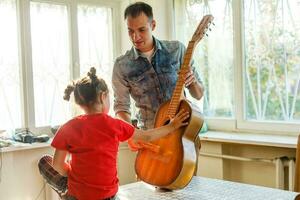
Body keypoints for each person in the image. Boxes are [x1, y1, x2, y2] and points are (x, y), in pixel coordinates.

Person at [38, 67, 189, 200]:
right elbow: (147, 136)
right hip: (107, 197)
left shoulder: (67, 128)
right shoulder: (114, 124)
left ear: (79, 101)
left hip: (78, 195)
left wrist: (74, 175)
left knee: (44, 161)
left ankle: (65, 190)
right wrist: (172, 126)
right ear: (103, 96)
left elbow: (58, 165)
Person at [112, 2, 204, 130]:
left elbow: (198, 94)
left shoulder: (177, 50)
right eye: (130, 31)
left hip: (183, 134)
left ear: (153, 25)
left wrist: (192, 80)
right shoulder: (121, 66)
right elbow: (121, 108)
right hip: (150, 138)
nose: (135, 37)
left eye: (141, 30)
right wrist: (133, 134)